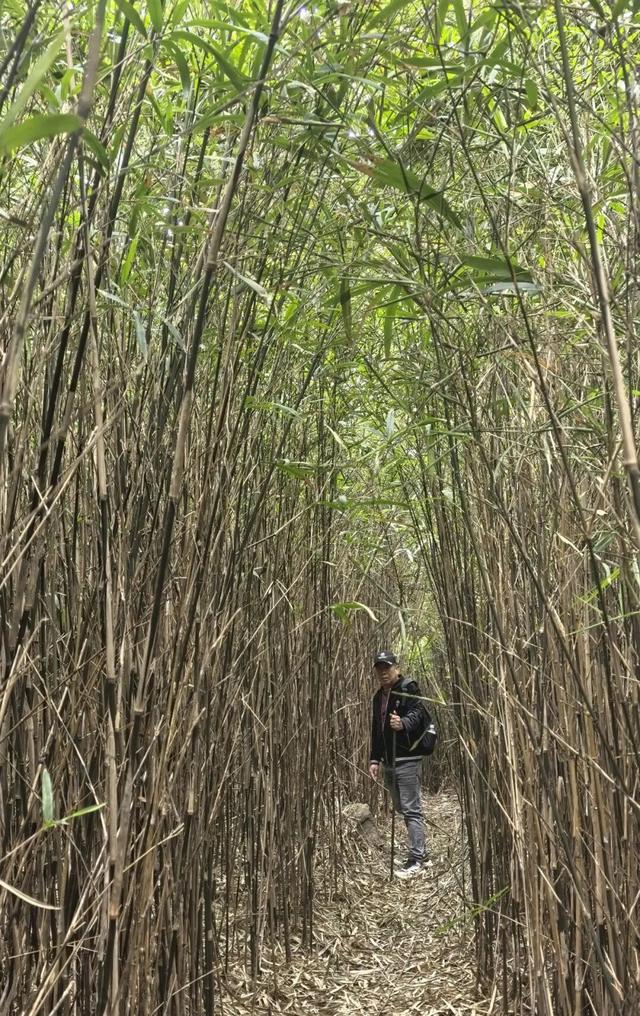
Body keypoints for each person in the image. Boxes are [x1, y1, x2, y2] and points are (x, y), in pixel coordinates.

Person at [369, 649, 431, 879]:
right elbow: (377, 730)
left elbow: (419, 713)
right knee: (401, 807)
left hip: (407, 757)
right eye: (379, 668)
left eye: (387, 667)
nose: (383, 672)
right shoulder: (378, 697)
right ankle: (421, 850)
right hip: (389, 760)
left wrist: (403, 723)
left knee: (411, 809)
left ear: (396, 667)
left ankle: (417, 859)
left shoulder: (408, 687)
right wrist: (374, 759)